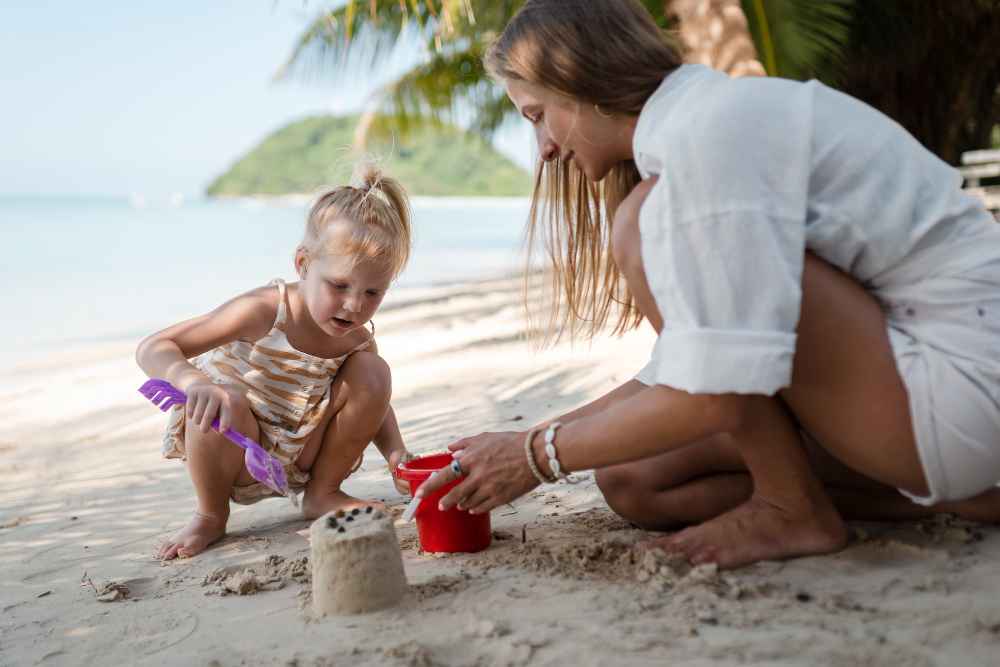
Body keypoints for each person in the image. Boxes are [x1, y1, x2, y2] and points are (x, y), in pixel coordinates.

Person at [414, 0, 1000, 569]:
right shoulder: (697, 127)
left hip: (957, 384)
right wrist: (532, 437)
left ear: (574, 76)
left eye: (536, 114)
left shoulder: (705, 141)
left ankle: (789, 507)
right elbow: (684, 364)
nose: (542, 150)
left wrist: (537, 458)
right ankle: (954, 498)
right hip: (932, 392)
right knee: (634, 481)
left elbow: (720, 384)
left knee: (643, 224)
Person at [137, 164, 414, 560]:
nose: (354, 305)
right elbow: (154, 347)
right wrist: (193, 382)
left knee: (374, 371)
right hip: (235, 446)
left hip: (302, 457)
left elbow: (376, 404)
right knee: (226, 400)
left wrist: (396, 454)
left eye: (373, 292)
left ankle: (322, 494)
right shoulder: (264, 310)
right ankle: (210, 514)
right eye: (339, 286)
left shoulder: (356, 336)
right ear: (303, 264)